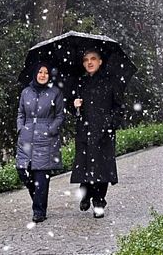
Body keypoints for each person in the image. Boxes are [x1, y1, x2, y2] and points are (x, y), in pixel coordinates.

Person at [70, 49, 124, 218]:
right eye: (86, 60)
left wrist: (110, 125)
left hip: (104, 133)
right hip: (85, 132)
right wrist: (75, 106)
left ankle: (99, 202)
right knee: (85, 167)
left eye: (93, 59)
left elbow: (119, 107)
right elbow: (74, 111)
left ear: (100, 62)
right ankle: (86, 194)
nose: (89, 62)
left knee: (102, 170)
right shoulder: (80, 82)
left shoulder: (110, 82)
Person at [16, 62, 65, 223]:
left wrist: (50, 130)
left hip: (46, 138)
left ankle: (39, 211)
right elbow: (21, 113)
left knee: (41, 177)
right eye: (40, 72)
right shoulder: (26, 92)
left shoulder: (55, 92)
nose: (43, 75)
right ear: (35, 74)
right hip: (26, 136)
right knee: (23, 172)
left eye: (46, 72)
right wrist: (21, 128)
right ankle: (38, 199)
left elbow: (59, 116)